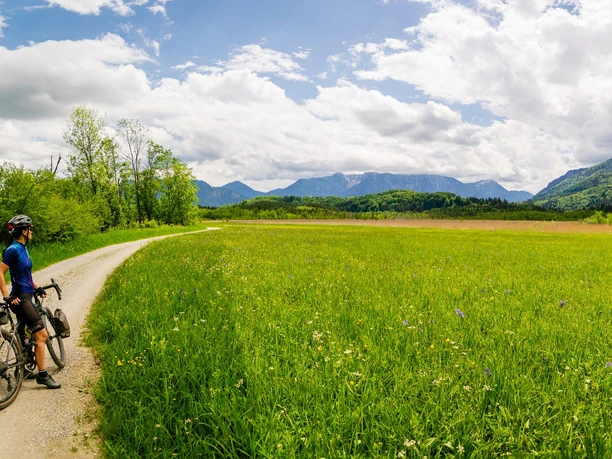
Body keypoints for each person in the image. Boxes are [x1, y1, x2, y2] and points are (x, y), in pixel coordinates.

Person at [0, 215, 61, 389]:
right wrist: (6, 295)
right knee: (41, 335)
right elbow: (0, 272)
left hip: (26, 293)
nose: (32, 231)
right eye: (30, 229)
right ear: (24, 231)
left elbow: (24, 275)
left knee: (26, 332)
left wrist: (37, 287)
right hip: (20, 297)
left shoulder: (23, 248)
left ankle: (24, 366)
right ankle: (42, 375)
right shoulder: (13, 250)